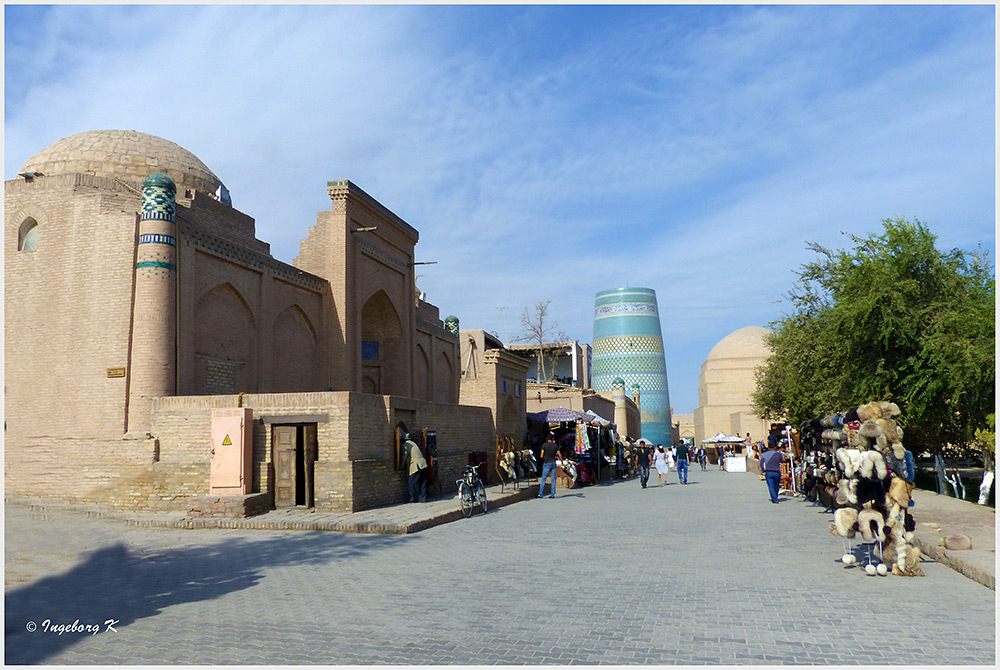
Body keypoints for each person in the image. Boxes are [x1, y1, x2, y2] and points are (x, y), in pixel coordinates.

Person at [399, 432, 427, 503]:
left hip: (416, 465)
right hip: (423, 464)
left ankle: (412, 499)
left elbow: (404, 456)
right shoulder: (413, 443)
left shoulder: (405, 445)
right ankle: (423, 498)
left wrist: (401, 466)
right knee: (422, 482)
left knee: (412, 483)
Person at [759, 440, 785, 504]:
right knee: (776, 485)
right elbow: (782, 461)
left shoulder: (763, 454)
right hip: (777, 472)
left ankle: (774, 498)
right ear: (775, 447)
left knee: (771, 486)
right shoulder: (779, 454)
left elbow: (761, 463)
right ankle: (775, 496)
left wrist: (763, 471)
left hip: (768, 472)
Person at [538, 432, 559, 498]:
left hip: (546, 462)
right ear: (552, 439)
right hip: (553, 462)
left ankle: (540, 494)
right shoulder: (555, 445)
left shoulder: (544, 445)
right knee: (553, 479)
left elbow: (541, 455)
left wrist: (544, 458)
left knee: (543, 479)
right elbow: (559, 454)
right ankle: (552, 494)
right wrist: (561, 461)